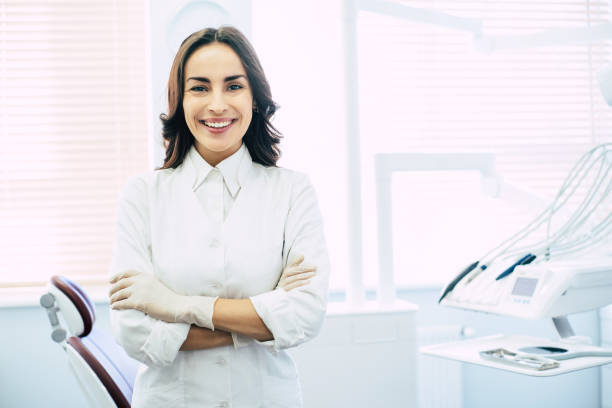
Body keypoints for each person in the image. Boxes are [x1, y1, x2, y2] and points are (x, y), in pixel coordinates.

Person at [107, 26, 330, 407]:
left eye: (233, 86)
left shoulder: (293, 191)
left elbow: (305, 315)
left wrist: (174, 305)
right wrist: (262, 317)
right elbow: (134, 333)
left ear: (255, 98)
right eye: (199, 88)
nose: (217, 104)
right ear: (180, 101)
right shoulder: (142, 196)